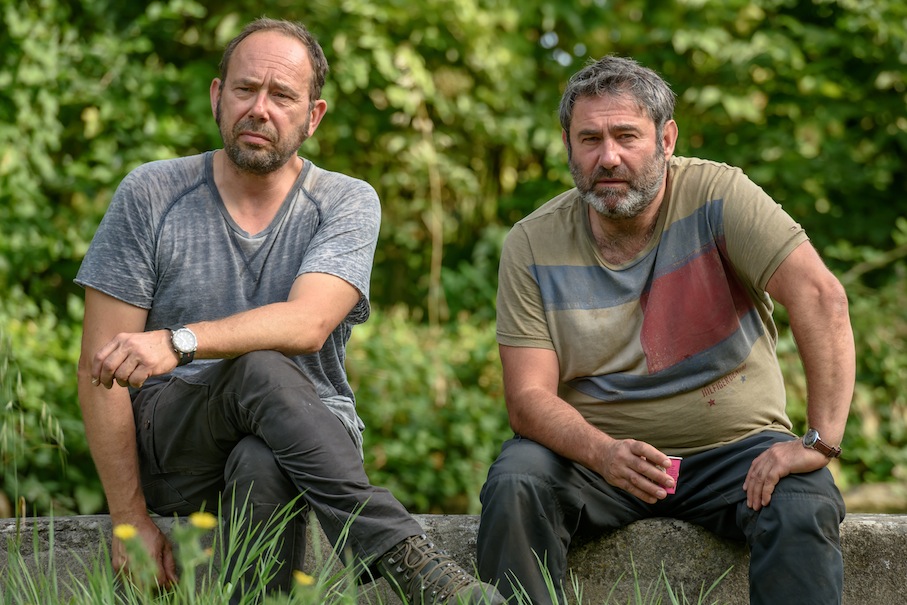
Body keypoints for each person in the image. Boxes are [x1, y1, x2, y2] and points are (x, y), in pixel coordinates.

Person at [75, 17, 503, 605]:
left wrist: (176, 341)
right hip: (180, 443)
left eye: (282, 96)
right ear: (217, 97)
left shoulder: (346, 201)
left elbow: (308, 324)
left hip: (307, 441)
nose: (260, 109)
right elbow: (96, 373)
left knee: (261, 454)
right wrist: (130, 520)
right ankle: (415, 566)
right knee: (258, 366)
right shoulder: (150, 194)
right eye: (246, 89)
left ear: (313, 116)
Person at [475, 55, 854, 605]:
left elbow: (821, 297)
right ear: (568, 147)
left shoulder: (719, 197)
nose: (608, 157)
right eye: (590, 139)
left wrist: (820, 441)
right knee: (516, 481)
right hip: (596, 461)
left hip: (736, 453)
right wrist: (604, 454)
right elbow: (528, 398)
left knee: (802, 500)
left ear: (667, 138)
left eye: (627, 135)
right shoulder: (531, 243)